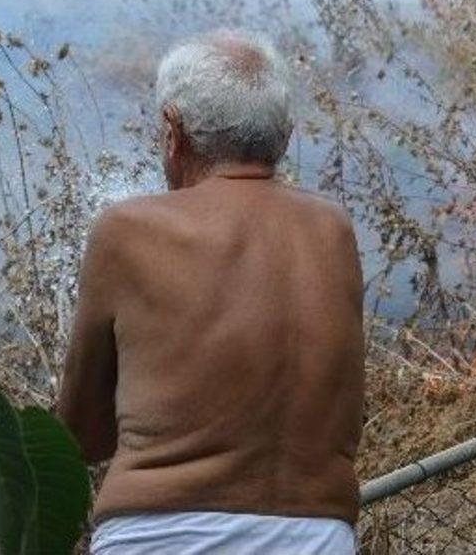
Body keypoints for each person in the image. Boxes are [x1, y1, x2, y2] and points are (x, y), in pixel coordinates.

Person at [58, 30, 364, 554]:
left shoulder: (126, 230)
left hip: (161, 537)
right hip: (316, 536)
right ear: (285, 137)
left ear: (171, 130)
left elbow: (82, 437)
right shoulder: (332, 231)